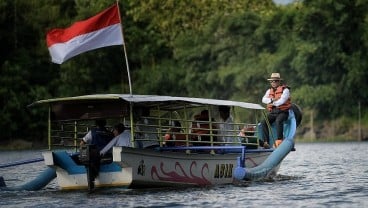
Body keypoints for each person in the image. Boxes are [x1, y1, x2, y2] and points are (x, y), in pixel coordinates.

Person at [261, 73, 291, 148]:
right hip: (273, 112)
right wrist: (272, 100)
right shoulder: (269, 91)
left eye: (275, 81)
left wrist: (271, 102)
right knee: (264, 122)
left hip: (283, 112)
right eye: (272, 81)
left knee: (278, 120)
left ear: (279, 82)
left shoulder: (285, 90)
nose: (273, 83)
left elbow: (281, 101)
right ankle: (266, 142)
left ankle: (279, 140)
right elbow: (263, 100)